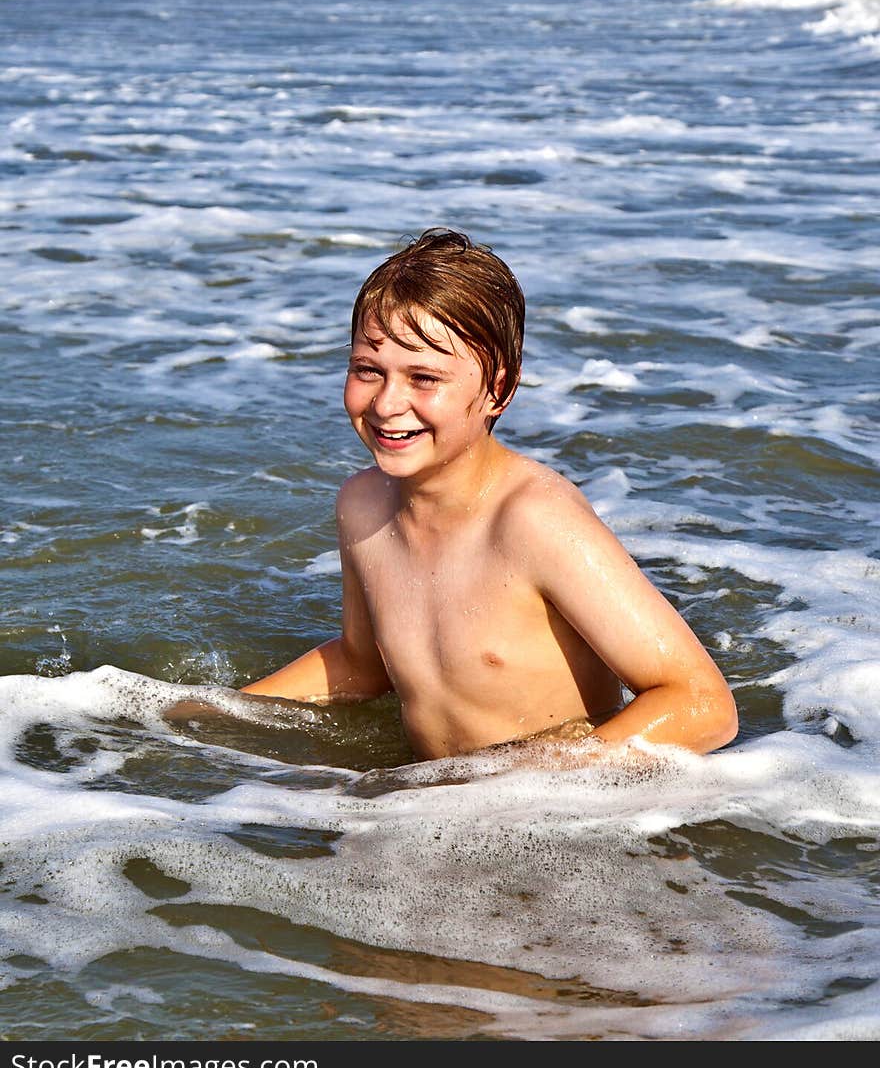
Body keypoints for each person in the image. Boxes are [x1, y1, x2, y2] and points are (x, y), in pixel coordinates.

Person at [176, 229, 737, 763]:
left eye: (424, 378)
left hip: (562, 825)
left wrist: (522, 783)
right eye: (368, 370)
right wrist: (209, 710)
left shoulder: (535, 521)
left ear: (499, 390)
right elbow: (362, 664)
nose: (388, 403)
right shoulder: (364, 505)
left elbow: (702, 704)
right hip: (437, 814)